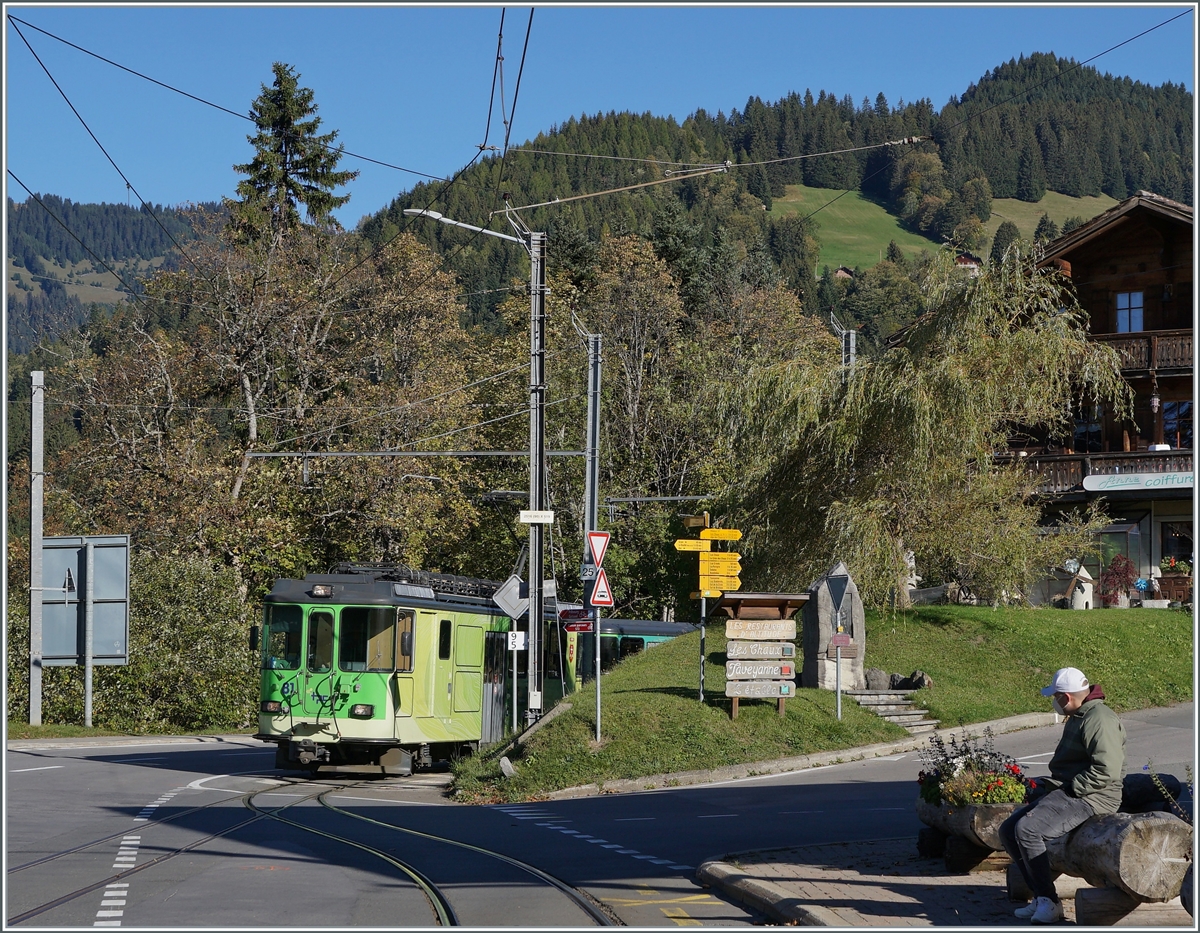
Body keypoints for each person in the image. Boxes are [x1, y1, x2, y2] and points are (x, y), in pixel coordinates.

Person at [999, 667, 1126, 924]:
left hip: (1093, 795)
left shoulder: (1098, 719)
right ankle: (1040, 897)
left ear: (1066, 697)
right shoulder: (1082, 714)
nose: (1054, 702)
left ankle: (1049, 901)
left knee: (1028, 830)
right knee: (1008, 829)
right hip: (1073, 788)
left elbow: (1107, 770)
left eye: (1055, 697)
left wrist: (1071, 788)